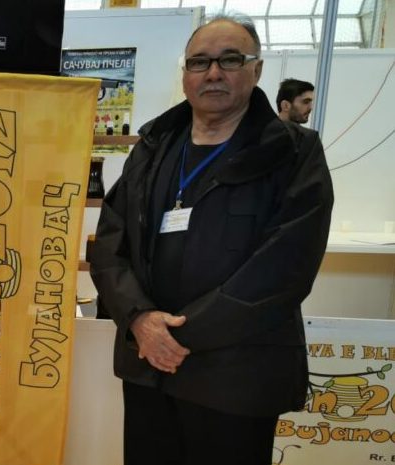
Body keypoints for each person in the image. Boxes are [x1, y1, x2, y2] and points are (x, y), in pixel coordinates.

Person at [89, 14, 333, 465]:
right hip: (149, 369)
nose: (213, 72)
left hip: (236, 375)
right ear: (186, 74)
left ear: (257, 70)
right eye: (200, 62)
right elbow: (108, 244)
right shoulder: (154, 146)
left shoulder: (294, 152)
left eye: (230, 59)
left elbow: (286, 266)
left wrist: (178, 335)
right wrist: (140, 320)